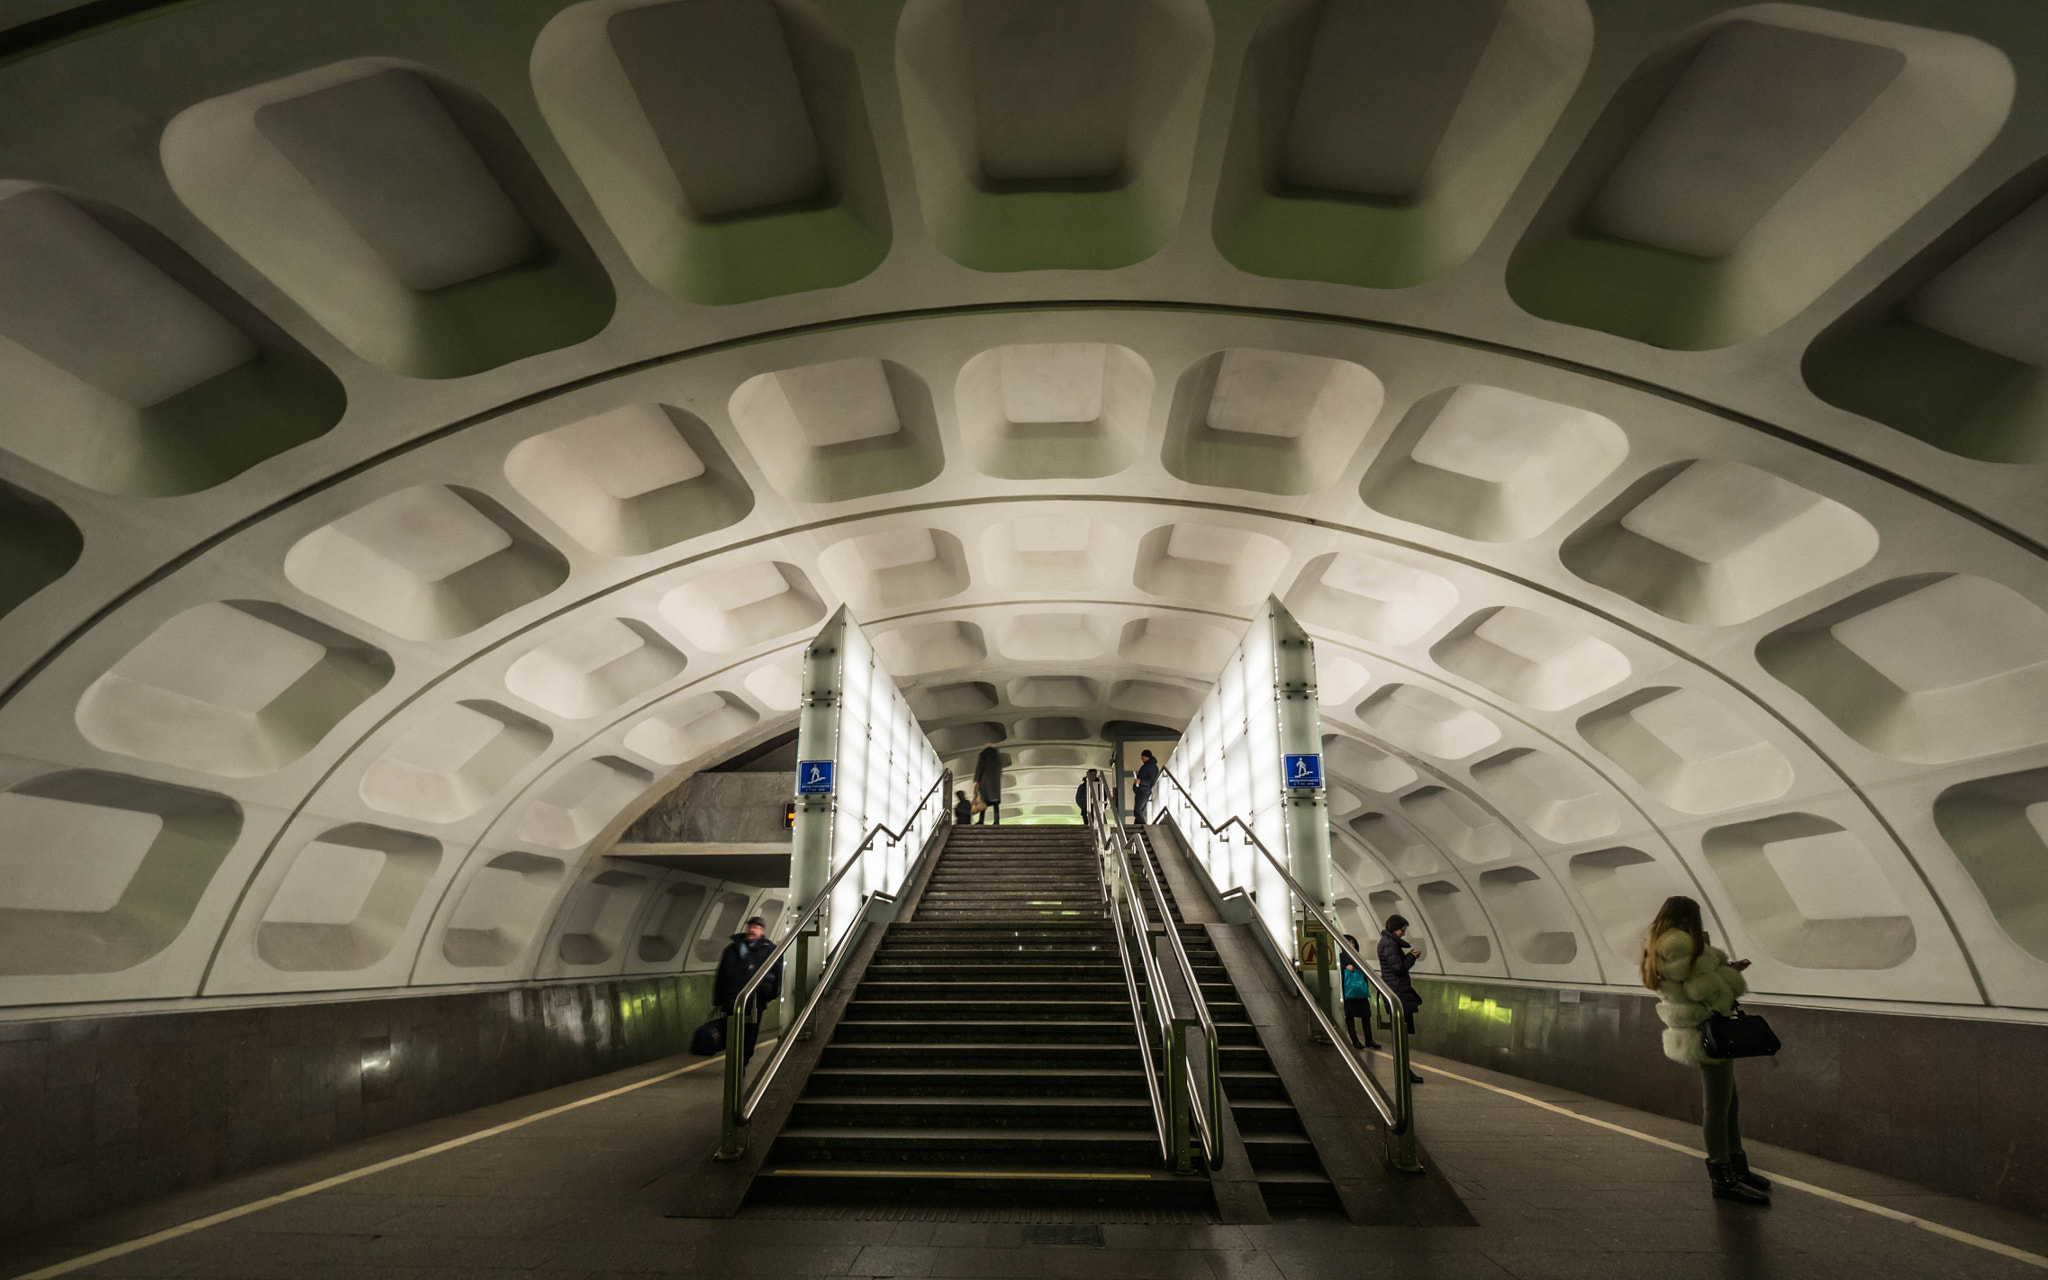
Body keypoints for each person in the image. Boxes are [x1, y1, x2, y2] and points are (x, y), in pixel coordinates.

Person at [1643, 895, 1768, 1205]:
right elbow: (1704, 991)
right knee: (1717, 1107)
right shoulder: (1683, 945)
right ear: (1689, 918)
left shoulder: (1659, 943)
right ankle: (1724, 1178)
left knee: (1729, 1103)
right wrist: (1728, 974)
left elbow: (1690, 982)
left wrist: (1719, 964)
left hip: (1696, 1032)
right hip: (1707, 1032)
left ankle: (1737, 1168)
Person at [712, 915, 783, 1065]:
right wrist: (717, 1000)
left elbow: (777, 974)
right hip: (731, 1000)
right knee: (731, 1035)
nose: (752, 930)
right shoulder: (731, 949)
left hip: (755, 1002)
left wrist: (770, 994)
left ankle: (742, 1063)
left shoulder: (769, 950)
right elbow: (721, 975)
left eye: (756, 927)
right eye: (750, 926)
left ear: (761, 931)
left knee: (749, 1036)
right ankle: (734, 1064)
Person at [1377, 915, 1425, 1084]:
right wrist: (1411, 958)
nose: (1403, 934)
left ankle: (1406, 1070)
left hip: (1398, 992)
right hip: (1398, 993)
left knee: (1402, 1035)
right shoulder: (1390, 943)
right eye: (1402, 930)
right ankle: (1404, 1072)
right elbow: (1398, 968)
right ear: (1396, 928)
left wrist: (1408, 956)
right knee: (1401, 1035)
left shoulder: (1387, 942)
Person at [1340, 933, 1381, 1051]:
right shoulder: (1341, 957)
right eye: (1349, 942)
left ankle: (1369, 1039)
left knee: (1366, 1014)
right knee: (1350, 1015)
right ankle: (1355, 1040)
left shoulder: (1359, 957)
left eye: (1353, 942)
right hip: (1349, 990)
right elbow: (1340, 970)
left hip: (1361, 989)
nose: (1351, 945)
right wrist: (1345, 968)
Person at [973, 743, 1002, 825]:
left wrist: (976, 779)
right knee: (995, 801)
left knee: (983, 801)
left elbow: (980, 766)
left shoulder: (983, 753)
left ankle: (981, 821)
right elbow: (999, 768)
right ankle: (996, 820)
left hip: (985, 780)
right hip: (995, 781)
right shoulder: (997, 755)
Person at [1132, 750, 1159, 824]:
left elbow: (1152, 781)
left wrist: (1140, 782)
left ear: (1147, 757)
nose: (1141, 758)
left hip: (1144, 791)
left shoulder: (1151, 767)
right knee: (1138, 811)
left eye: (1143, 756)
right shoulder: (1146, 766)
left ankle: (1142, 826)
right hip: (1140, 790)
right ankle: (1138, 826)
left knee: (1138, 811)